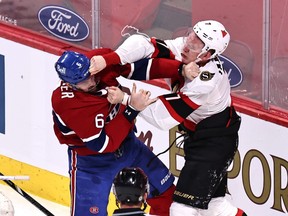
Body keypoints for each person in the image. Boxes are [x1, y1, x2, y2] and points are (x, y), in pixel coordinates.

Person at [89, 20, 247, 215]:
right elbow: (144, 43)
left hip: (214, 143)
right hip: (205, 135)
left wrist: (127, 99)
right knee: (215, 207)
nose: (188, 43)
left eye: (196, 43)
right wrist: (112, 59)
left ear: (207, 54)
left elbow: (163, 118)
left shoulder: (206, 82)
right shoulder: (187, 48)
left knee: (181, 208)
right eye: (191, 35)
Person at [51, 49, 192, 216]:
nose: (92, 79)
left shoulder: (97, 63)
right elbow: (102, 145)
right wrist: (131, 109)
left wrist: (179, 69)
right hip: (92, 161)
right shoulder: (68, 103)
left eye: (89, 73)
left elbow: (137, 66)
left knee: (166, 194)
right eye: (84, 80)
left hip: (129, 145)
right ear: (71, 84)